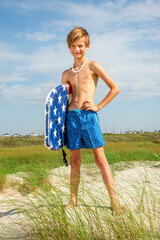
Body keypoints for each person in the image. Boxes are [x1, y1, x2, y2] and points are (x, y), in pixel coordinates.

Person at [62, 26, 121, 214]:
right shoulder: (66, 74)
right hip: (71, 118)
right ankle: (73, 200)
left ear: (87, 46)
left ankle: (114, 202)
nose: (76, 49)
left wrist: (98, 106)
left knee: (100, 160)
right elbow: (62, 101)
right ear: (69, 47)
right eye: (73, 45)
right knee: (74, 161)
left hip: (89, 117)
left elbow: (115, 88)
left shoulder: (93, 66)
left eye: (80, 45)